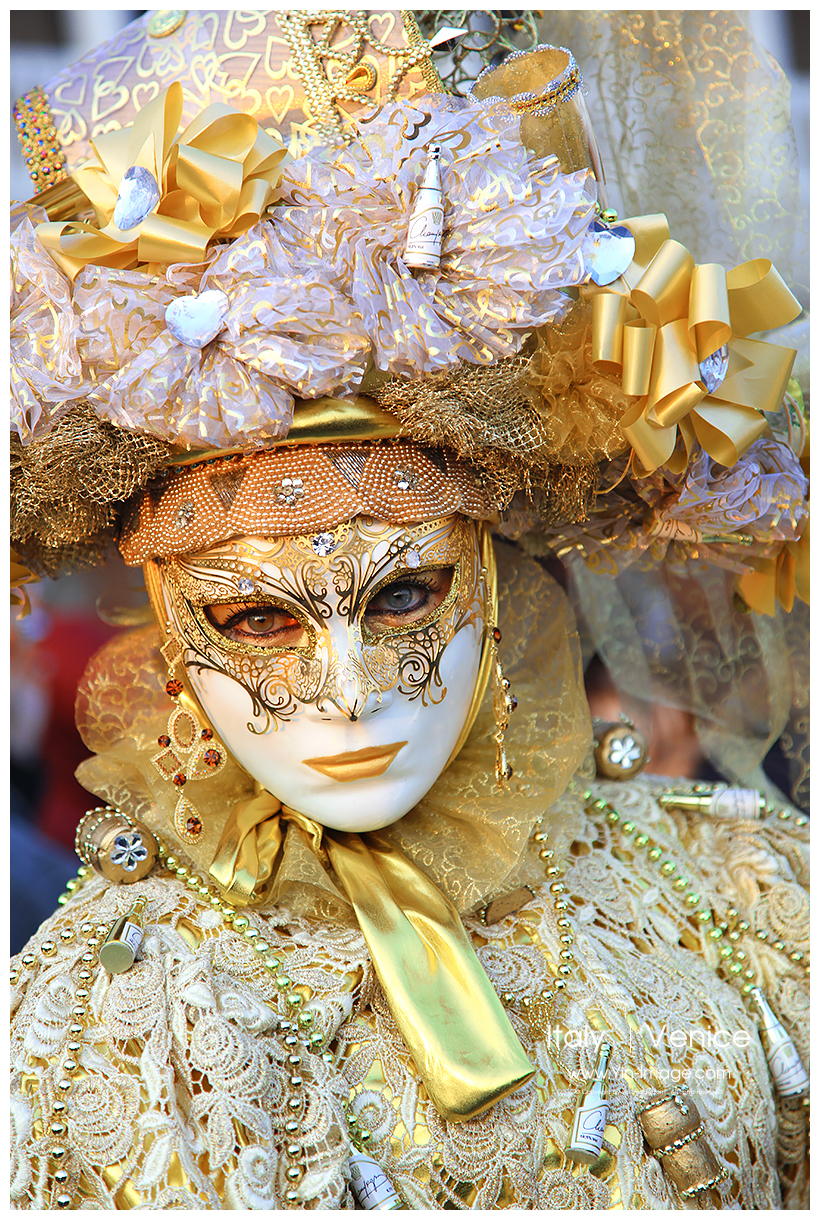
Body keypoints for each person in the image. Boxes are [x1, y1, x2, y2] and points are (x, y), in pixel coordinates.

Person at [10, 10, 809, 1211]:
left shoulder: (736, 891)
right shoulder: (115, 1015)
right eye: (258, 620)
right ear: (171, 632)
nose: (349, 692)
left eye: (403, 595)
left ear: (494, 575)